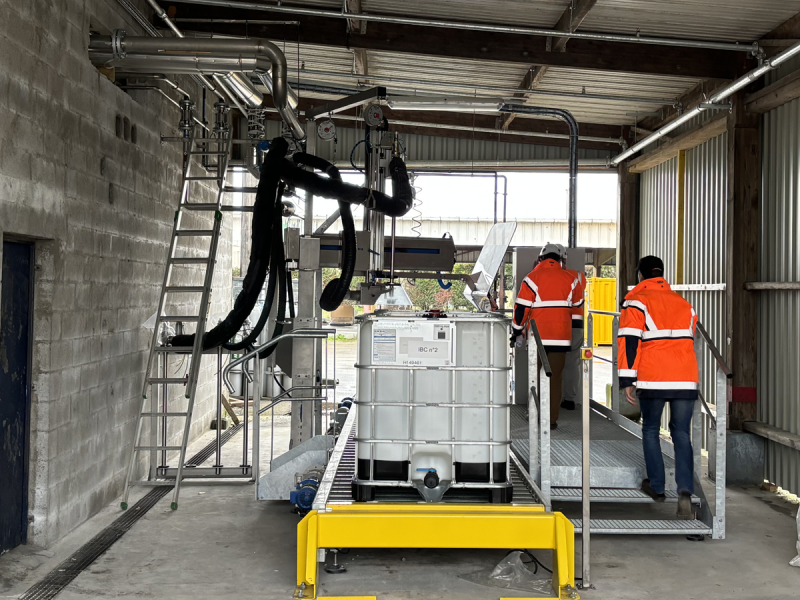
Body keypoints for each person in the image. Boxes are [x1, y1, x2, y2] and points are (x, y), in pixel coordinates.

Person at [618, 255, 699, 519]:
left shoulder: (637, 302)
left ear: (640, 275)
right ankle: (685, 492)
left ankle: (657, 487)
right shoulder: (685, 305)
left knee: (651, 429)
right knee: (682, 434)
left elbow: (630, 342)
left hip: (654, 377)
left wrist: (627, 380)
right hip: (685, 378)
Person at [510, 243, 582, 428]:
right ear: (560, 259)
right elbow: (577, 308)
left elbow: (521, 309)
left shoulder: (531, 278)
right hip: (561, 336)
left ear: (541, 258)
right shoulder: (572, 280)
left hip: (537, 336)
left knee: (536, 377)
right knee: (555, 378)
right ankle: (550, 420)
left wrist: (516, 330)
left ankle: (534, 416)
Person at [561, 263, 586, 411]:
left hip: (556, 324)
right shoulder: (579, 275)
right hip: (576, 324)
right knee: (572, 363)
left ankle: (549, 398)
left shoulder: (545, 275)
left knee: (550, 362)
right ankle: (569, 399)